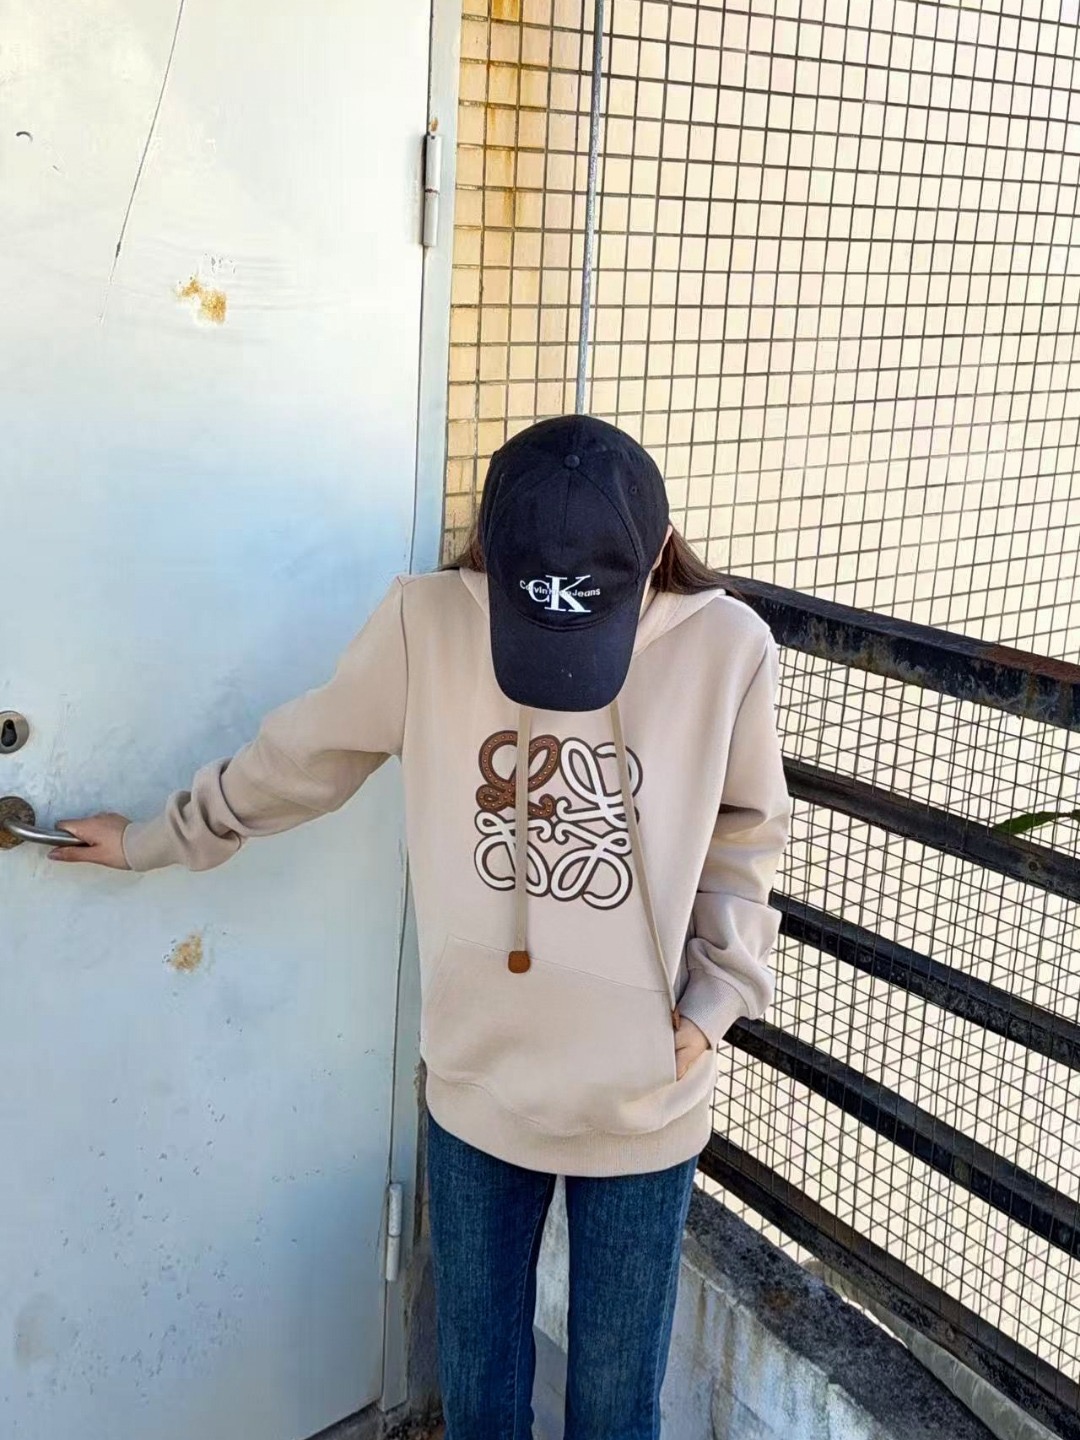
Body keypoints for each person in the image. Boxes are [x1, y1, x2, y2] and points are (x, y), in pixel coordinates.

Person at [52, 414, 792, 1439]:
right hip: (479, 1083)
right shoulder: (427, 624)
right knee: (480, 1402)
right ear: (492, 547)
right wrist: (148, 841)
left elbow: (746, 834)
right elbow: (295, 764)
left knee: (615, 1413)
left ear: (659, 548)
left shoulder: (727, 649)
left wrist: (709, 1010)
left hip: (646, 1097)